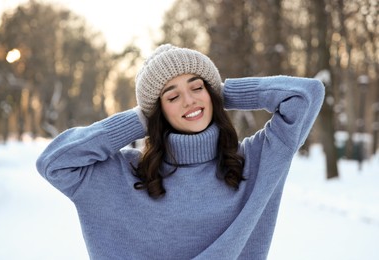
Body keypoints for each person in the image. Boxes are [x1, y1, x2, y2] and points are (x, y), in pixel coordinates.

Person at [36, 44, 324, 260]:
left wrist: (222, 93)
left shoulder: (255, 162)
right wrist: (142, 119)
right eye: (172, 96)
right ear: (157, 112)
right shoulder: (124, 176)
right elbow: (55, 161)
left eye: (197, 87)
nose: (189, 100)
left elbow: (305, 95)